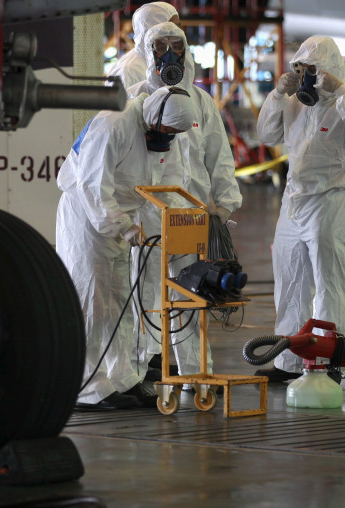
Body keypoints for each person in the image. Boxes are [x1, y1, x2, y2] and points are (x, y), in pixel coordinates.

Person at [255, 36, 345, 382]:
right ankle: (289, 363)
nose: (306, 77)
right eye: (300, 69)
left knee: (328, 283)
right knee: (289, 281)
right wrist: (277, 94)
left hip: (332, 200)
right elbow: (266, 134)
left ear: (328, 70)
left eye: (311, 70)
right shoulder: (296, 104)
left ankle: (329, 361)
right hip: (294, 200)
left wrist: (340, 91)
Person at [56, 87, 197, 409]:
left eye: (174, 134)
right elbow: (92, 185)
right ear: (153, 116)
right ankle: (87, 387)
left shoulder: (167, 133)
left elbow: (168, 182)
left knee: (120, 300)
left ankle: (123, 378)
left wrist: (178, 218)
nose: (168, 139)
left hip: (124, 218)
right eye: (166, 131)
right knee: (92, 299)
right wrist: (122, 226)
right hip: (87, 216)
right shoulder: (113, 124)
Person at [126, 22, 243, 386]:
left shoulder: (201, 101)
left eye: (176, 46)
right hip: (150, 214)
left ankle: (196, 373)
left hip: (191, 216)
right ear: (148, 53)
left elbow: (219, 156)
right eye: (160, 47)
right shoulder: (135, 100)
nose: (169, 55)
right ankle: (143, 371)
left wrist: (224, 203)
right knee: (146, 293)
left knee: (193, 292)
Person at [106, 2, 181, 90]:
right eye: (171, 27)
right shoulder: (129, 71)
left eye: (178, 27)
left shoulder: (162, 62)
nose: (178, 32)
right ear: (151, 30)